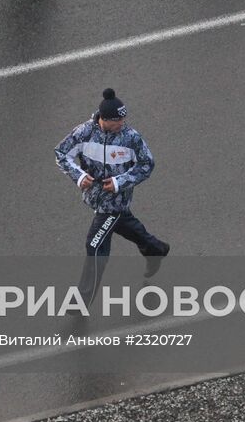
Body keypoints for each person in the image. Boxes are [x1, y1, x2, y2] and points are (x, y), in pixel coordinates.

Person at [55, 89, 169, 302]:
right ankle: (155, 248)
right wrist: (79, 177)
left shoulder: (131, 138)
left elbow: (147, 164)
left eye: (124, 118)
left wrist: (119, 183)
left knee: (95, 245)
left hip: (114, 202)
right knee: (124, 224)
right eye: (118, 120)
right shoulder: (83, 133)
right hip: (95, 199)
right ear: (104, 120)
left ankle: (82, 301)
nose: (122, 123)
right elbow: (61, 154)